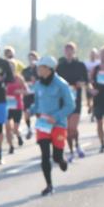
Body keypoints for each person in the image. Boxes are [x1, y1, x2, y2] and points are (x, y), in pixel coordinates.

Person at [30, 56, 74, 195]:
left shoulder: (62, 84)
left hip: (58, 124)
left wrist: (55, 117)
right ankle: (49, 185)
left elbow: (70, 105)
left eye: (40, 67)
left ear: (48, 69)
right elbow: (36, 104)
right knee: (44, 155)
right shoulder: (38, 85)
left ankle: (61, 160)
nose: (38, 70)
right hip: (43, 124)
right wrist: (29, 111)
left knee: (56, 157)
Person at [57, 42, 89, 160]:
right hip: (63, 101)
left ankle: (77, 145)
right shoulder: (60, 66)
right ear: (64, 52)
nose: (69, 53)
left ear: (74, 52)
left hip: (76, 100)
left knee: (72, 127)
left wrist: (82, 83)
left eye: (71, 50)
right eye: (67, 50)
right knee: (67, 129)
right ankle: (71, 151)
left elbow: (86, 80)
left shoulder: (80, 65)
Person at [5, 72, 27, 154]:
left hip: (17, 106)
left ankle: (19, 136)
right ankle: (11, 146)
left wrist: (19, 91)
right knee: (7, 128)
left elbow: (26, 91)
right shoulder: (3, 79)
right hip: (7, 107)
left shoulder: (19, 79)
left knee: (15, 129)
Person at [21, 51, 39, 139]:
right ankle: (29, 129)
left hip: (37, 95)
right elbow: (22, 82)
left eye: (33, 58)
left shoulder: (40, 70)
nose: (31, 60)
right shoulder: (25, 71)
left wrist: (36, 81)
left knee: (38, 113)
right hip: (28, 94)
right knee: (26, 113)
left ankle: (40, 129)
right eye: (30, 58)